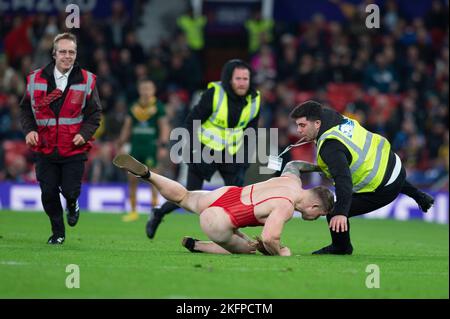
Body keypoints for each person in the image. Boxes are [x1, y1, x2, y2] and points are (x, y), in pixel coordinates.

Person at [113, 153, 334, 256]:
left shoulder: (292, 180)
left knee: (184, 196)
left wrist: (320, 168)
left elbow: (295, 164)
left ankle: (149, 175)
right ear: (315, 207)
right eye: (320, 215)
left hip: (226, 195)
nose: (316, 219)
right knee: (250, 248)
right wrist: (281, 252)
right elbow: (269, 238)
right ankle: (199, 246)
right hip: (221, 219)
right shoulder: (286, 206)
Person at [289, 100, 435, 255]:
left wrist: (341, 213)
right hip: (393, 164)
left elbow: (343, 180)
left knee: (334, 211)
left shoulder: (330, 146)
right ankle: (420, 196)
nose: (298, 130)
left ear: (317, 123)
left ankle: (341, 248)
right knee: (378, 173)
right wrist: (417, 195)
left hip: (383, 188)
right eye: (298, 125)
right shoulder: (333, 117)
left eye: (302, 125)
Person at [146, 59, 261, 239]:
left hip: (230, 154)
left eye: (245, 79)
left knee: (236, 197)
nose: (242, 83)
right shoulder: (215, 93)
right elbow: (192, 121)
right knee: (188, 197)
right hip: (203, 150)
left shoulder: (255, 100)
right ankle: (158, 213)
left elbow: (251, 130)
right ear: (229, 80)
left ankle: (229, 235)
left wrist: (244, 159)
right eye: (238, 78)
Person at [19, 32, 102, 244]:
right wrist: (29, 130)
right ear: (54, 54)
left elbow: (94, 114)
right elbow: (25, 110)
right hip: (45, 148)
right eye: (63, 52)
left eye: (71, 52)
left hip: (73, 148)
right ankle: (58, 233)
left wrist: (84, 135)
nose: (67, 56)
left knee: (70, 190)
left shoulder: (88, 80)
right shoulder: (35, 79)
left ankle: (72, 203)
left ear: (76, 54)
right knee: (47, 193)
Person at [117, 79, 169, 222]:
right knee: (132, 178)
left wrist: (163, 146)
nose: (146, 92)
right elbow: (127, 126)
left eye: (149, 89)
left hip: (151, 147)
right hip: (136, 146)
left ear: (153, 90)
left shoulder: (158, 106)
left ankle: (154, 210)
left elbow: (164, 126)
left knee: (153, 179)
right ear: (139, 90)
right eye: (144, 88)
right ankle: (133, 211)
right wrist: (121, 142)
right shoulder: (134, 107)